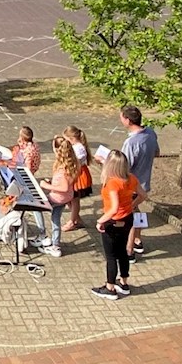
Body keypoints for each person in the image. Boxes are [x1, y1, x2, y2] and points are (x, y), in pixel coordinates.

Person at [91, 151, 138, 299]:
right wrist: (132, 205)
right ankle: (124, 283)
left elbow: (114, 208)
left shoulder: (112, 183)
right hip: (128, 219)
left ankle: (110, 287)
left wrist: (101, 221)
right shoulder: (131, 178)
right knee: (123, 252)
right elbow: (143, 195)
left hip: (113, 221)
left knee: (111, 256)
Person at [43, 135, 82, 252]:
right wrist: (54, 182)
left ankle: (41, 235)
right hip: (66, 198)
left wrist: (46, 185)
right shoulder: (74, 164)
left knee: (36, 207)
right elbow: (68, 182)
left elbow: (64, 187)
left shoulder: (61, 168)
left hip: (57, 197)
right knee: (55, 218)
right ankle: (55, 244)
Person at [62, 125, 93, 230]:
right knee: (69, 199)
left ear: (71, 139)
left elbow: (77, 165)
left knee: (74, 200)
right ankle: (76, 218)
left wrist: (71, 178)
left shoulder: (78, 148)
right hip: (74, 173)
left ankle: (72, 221)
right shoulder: (76, 146)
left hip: (78, 176)